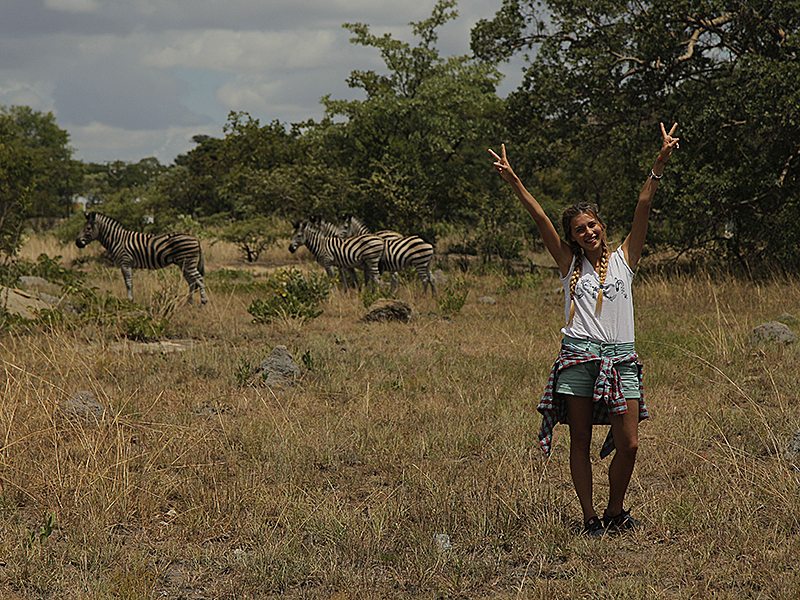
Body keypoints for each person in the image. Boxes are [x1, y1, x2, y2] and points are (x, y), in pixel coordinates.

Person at [489, 123, 679, 537]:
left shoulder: (626, 257)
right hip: (578, 357)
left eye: (591, 225)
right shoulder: (569, 264)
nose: (587, 232)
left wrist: (659, 164)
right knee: (579, 441)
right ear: (573, 238)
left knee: (628, 442)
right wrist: (516, 182)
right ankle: (590, 518)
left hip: (621, 360)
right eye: (579, 229)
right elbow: (540, 218)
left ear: (601, 226)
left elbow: (643, 206)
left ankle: (615, 511)